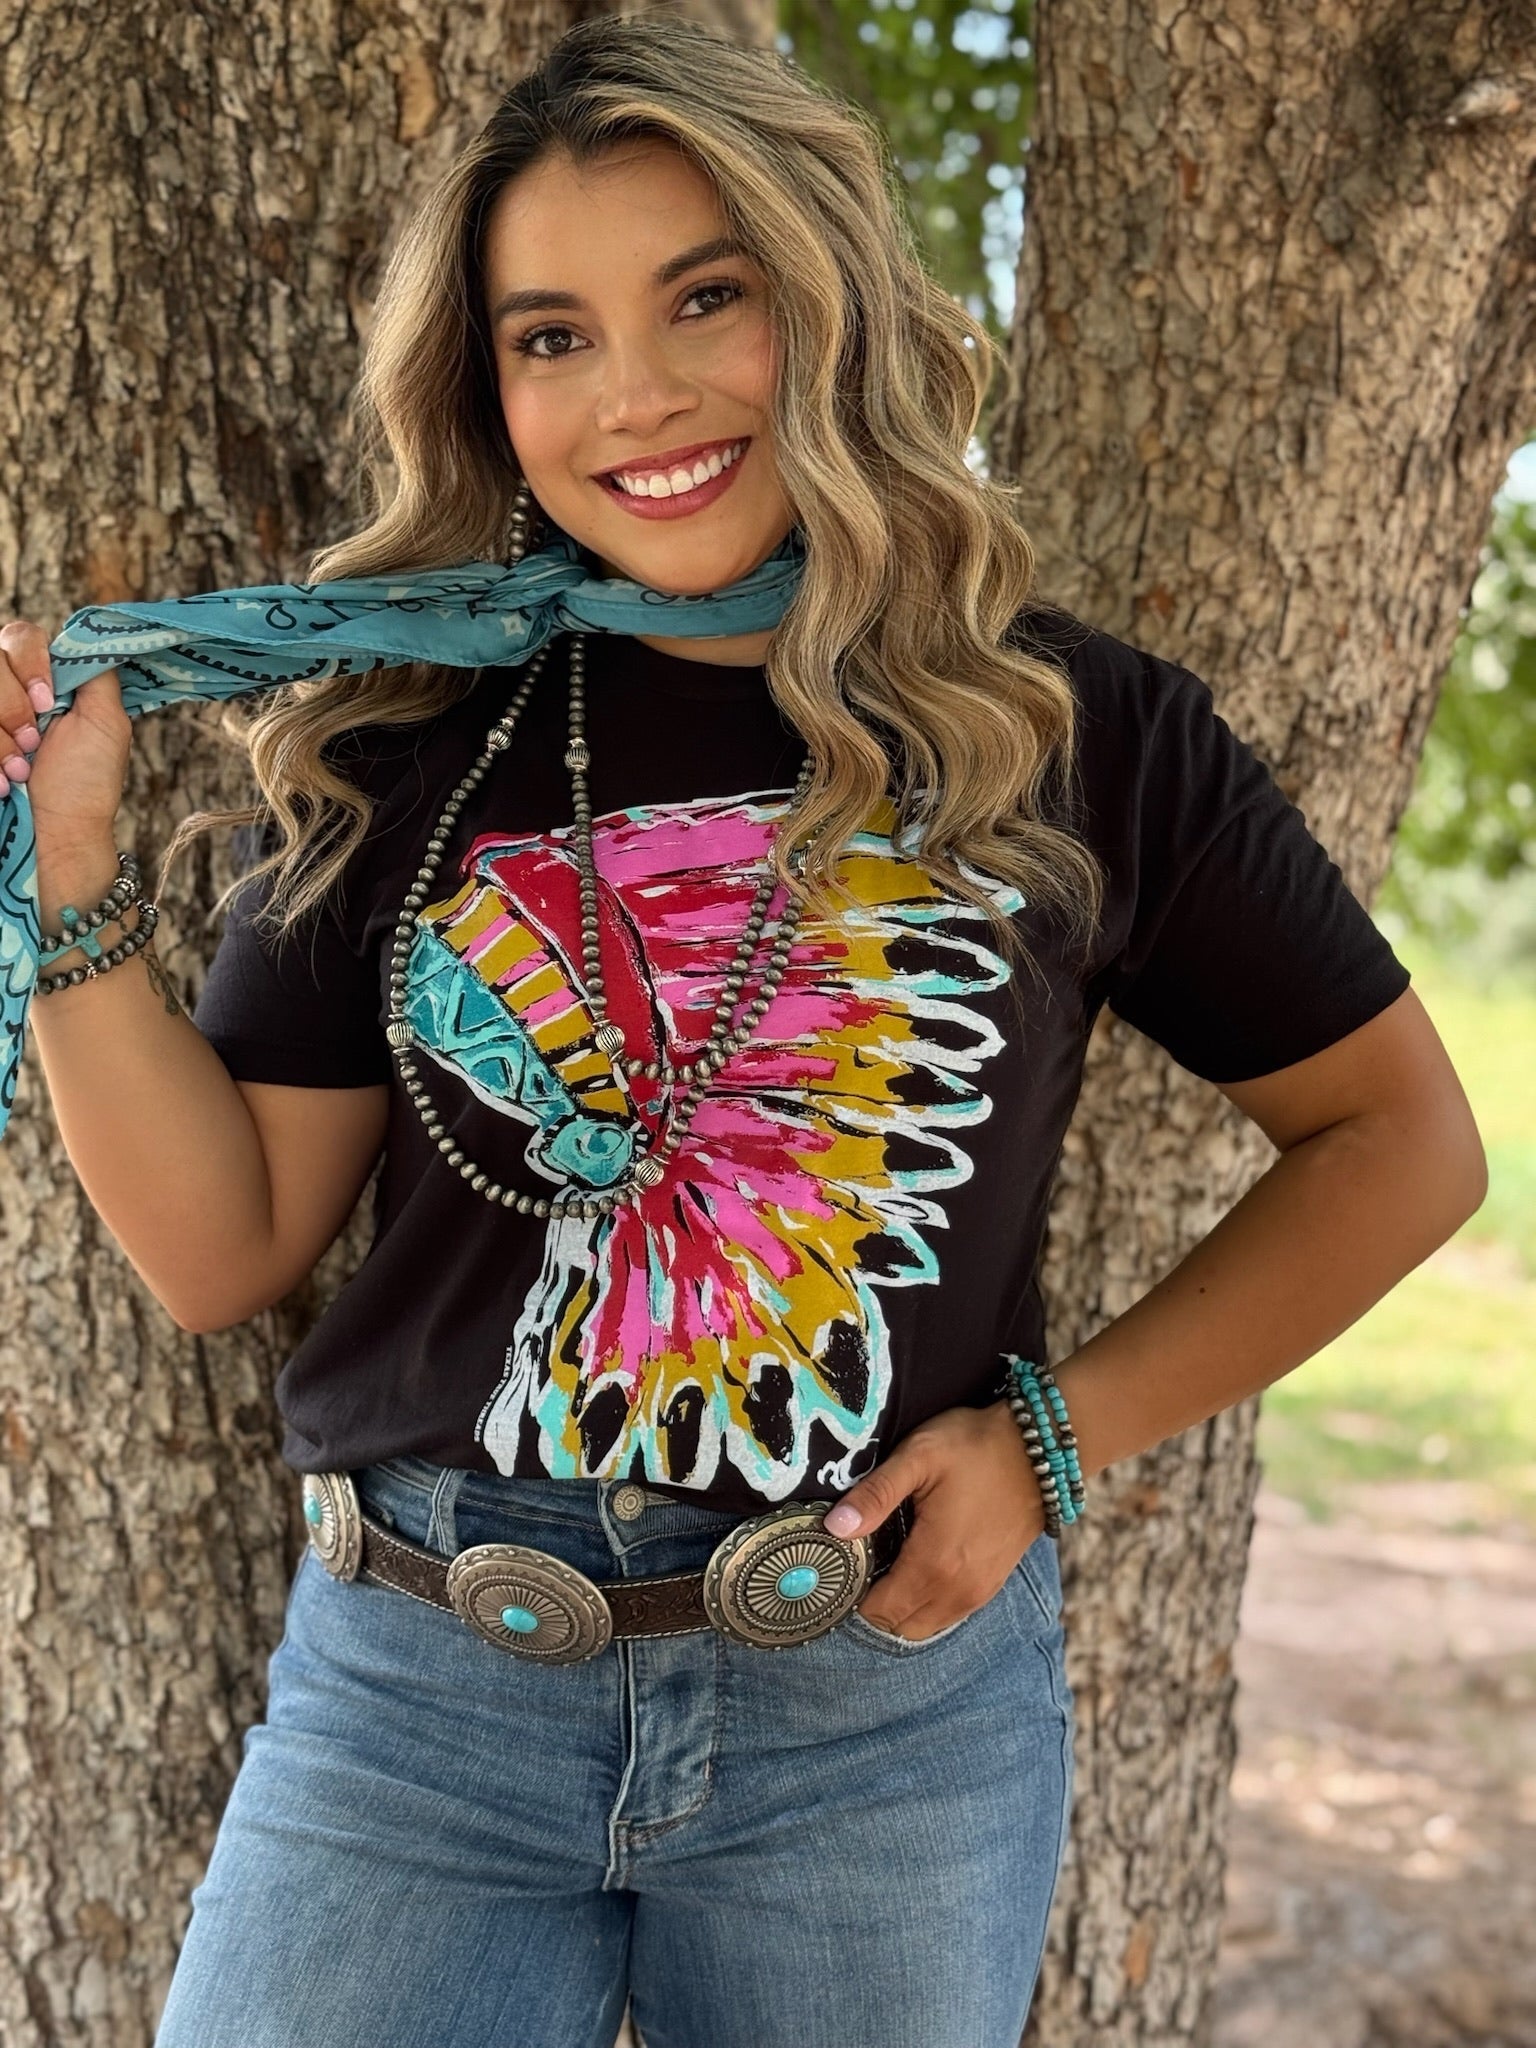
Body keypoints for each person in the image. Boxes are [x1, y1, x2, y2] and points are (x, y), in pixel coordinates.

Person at [1, 16, 1486, 2048]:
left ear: (830, 294)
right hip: (423, 1700)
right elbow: (220, 1244)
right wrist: (65, 865)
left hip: (877, 1710)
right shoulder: (407, 729)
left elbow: (1402, 1141)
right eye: (551, 337)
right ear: (488, 386)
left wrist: (1060, 1442)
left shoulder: (1069, 727)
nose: (640, 395)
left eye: (709, 296)